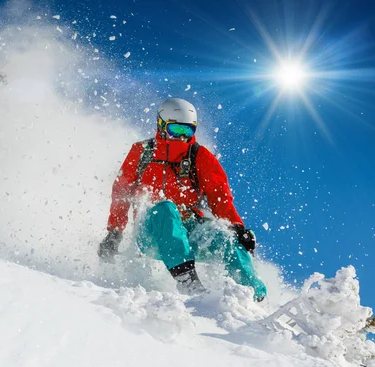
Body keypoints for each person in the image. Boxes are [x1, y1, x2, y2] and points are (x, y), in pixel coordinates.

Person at [98, 98, 267, 301]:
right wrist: (114, 232)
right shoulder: (141, 152)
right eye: (175, 130)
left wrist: (237, 227)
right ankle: (188, 280)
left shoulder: (199, 156)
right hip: (151, 231)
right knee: (165, 208)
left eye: (186, 132)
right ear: (161, 125)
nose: (180, 137)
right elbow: (121, 193)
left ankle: (254, 296)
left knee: (226, 238)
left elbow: (219, 196)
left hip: (190, 230)